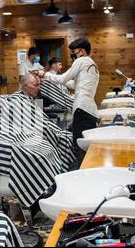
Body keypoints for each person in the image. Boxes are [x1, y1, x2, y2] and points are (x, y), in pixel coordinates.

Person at [40, 38, 100, 168]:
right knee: (87, 146)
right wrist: (53, 78)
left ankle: (82, 175)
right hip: (91, 110)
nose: (73, 55)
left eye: (74, 52)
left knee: (79, 146)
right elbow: (75, 83)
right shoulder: (93, 65)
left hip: (82, 109)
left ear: (82, 51)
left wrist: (44, 75)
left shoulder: (81, 60)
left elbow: (62, 79)